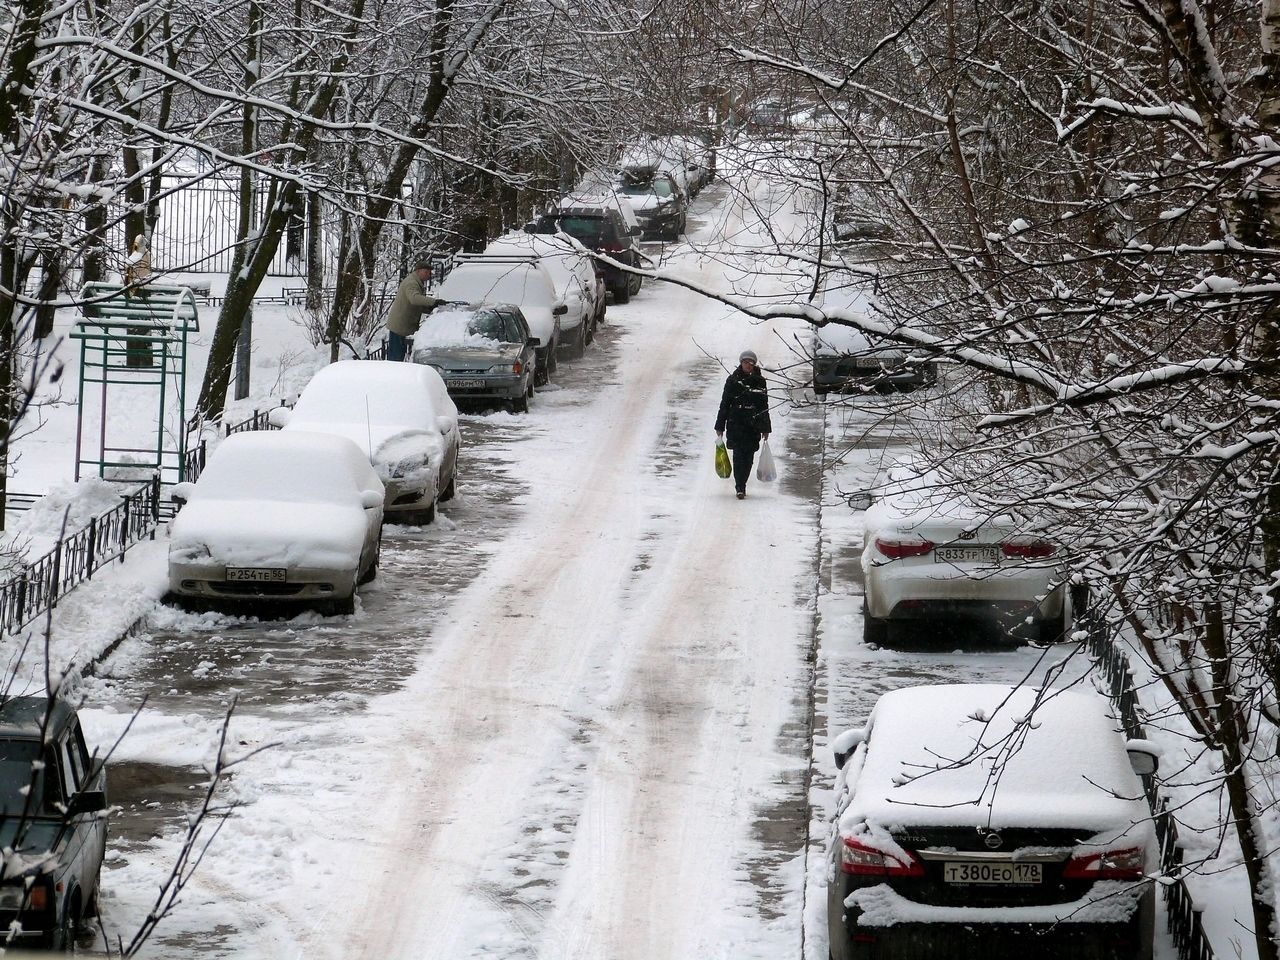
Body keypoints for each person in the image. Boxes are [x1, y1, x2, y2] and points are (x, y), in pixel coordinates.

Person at [715, 349, 772, 499]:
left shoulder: (759, 381)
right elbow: (725, 404)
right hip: (736, 422)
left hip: (752, 423)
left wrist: (766, 428)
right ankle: (740, 485)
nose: (748, 365)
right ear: (741, 363)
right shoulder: (733, 380)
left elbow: (763, 405)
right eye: (746, 362)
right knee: (738, 455)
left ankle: (743, 481)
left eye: (751, 362)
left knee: (749, 456)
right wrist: (720, 426)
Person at [386, 262, 438, 361]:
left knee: (399, 354)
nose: (429, 275)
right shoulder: (412, 283)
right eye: (426, 272)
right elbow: (414, 299)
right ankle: (394, 373)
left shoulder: (416, 282)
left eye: (429, 272)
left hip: (404, 325)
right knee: (396, 357)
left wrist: (429, 309)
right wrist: (433, 302)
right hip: (400, 325)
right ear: (418, 271)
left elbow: (415, 304)